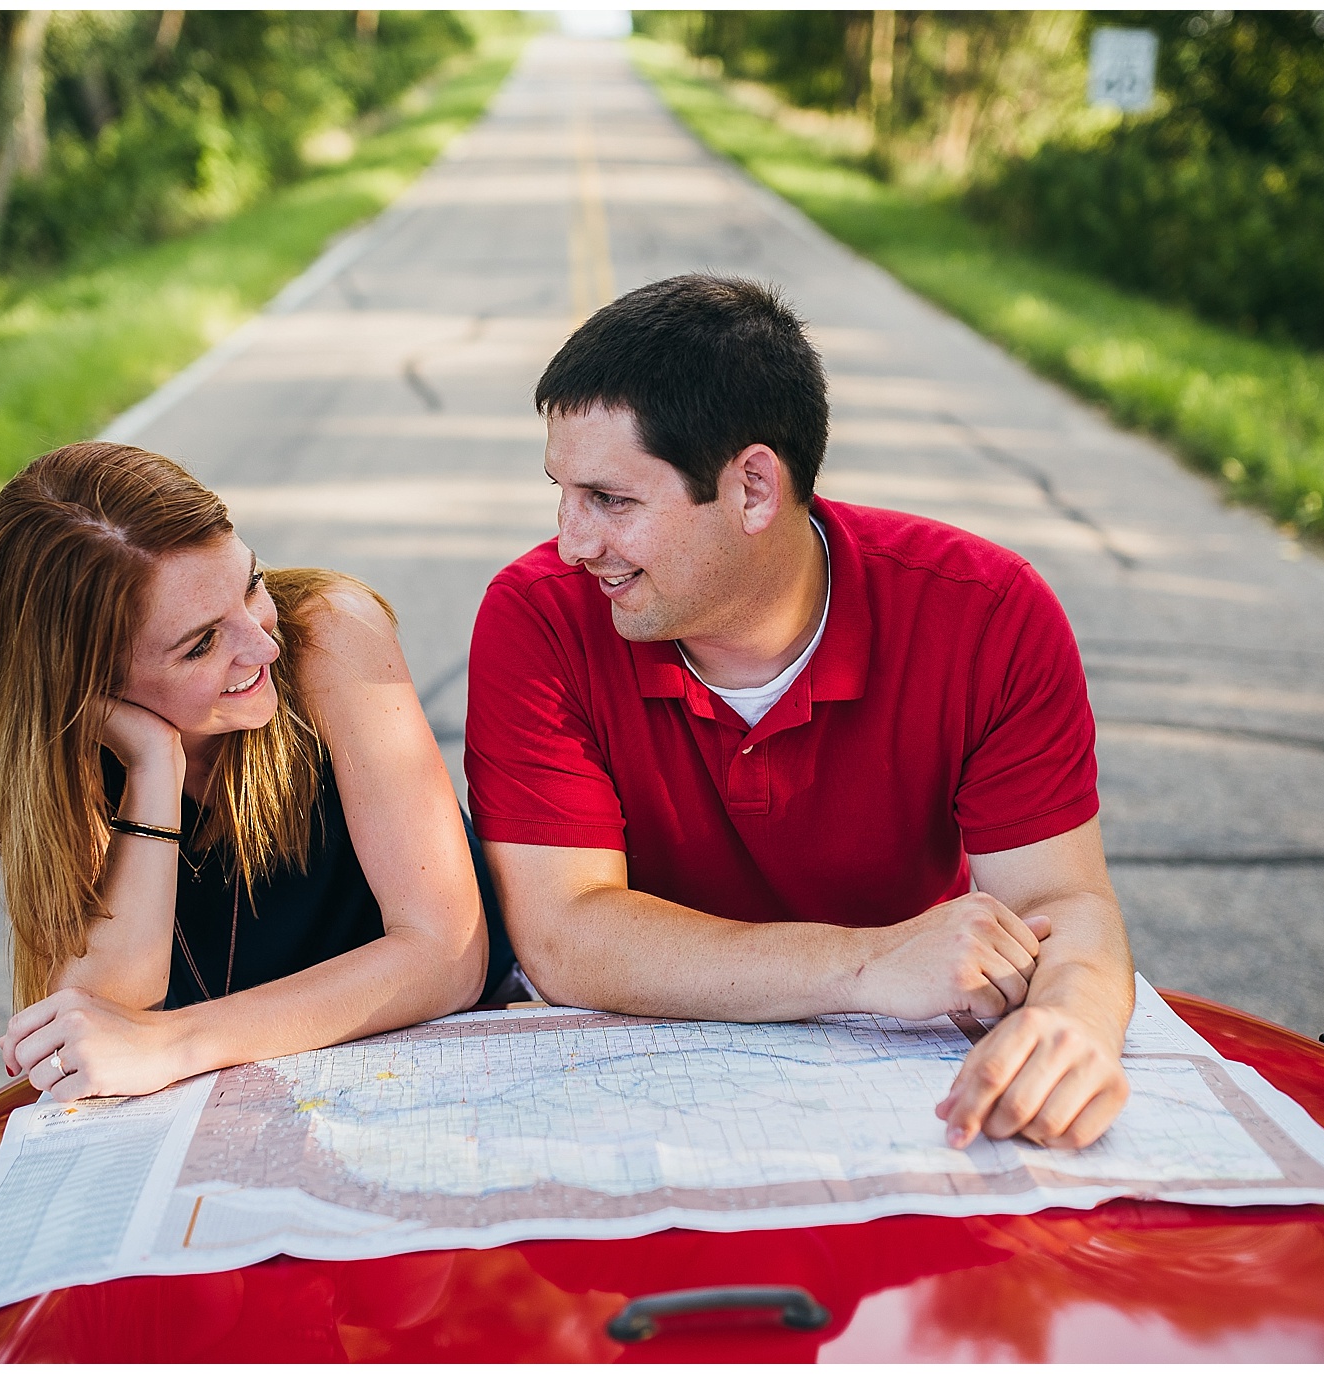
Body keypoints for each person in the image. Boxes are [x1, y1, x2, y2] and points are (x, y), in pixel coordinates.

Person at [465, 275, 1136, 1150]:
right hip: (633, 1083)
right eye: (563, 491)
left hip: (905, 1086)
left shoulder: (987, 612)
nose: (572, 540)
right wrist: (869, 962)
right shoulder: (538, 616)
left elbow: (1061, 897)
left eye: (612, 501)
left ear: (752, 488)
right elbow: (566, 935)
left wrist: (1072, 1020)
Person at [0, 441, 511, 1102]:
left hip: (437, 1064)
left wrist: (173, 1044)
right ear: (88, 685)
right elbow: (97, 1017)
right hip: (257, 1097)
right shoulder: (62, 748)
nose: (263, 644)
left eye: (252, 584)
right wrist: (152, 768)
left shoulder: (331, 634)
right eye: (201, 643)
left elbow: (445, 958)